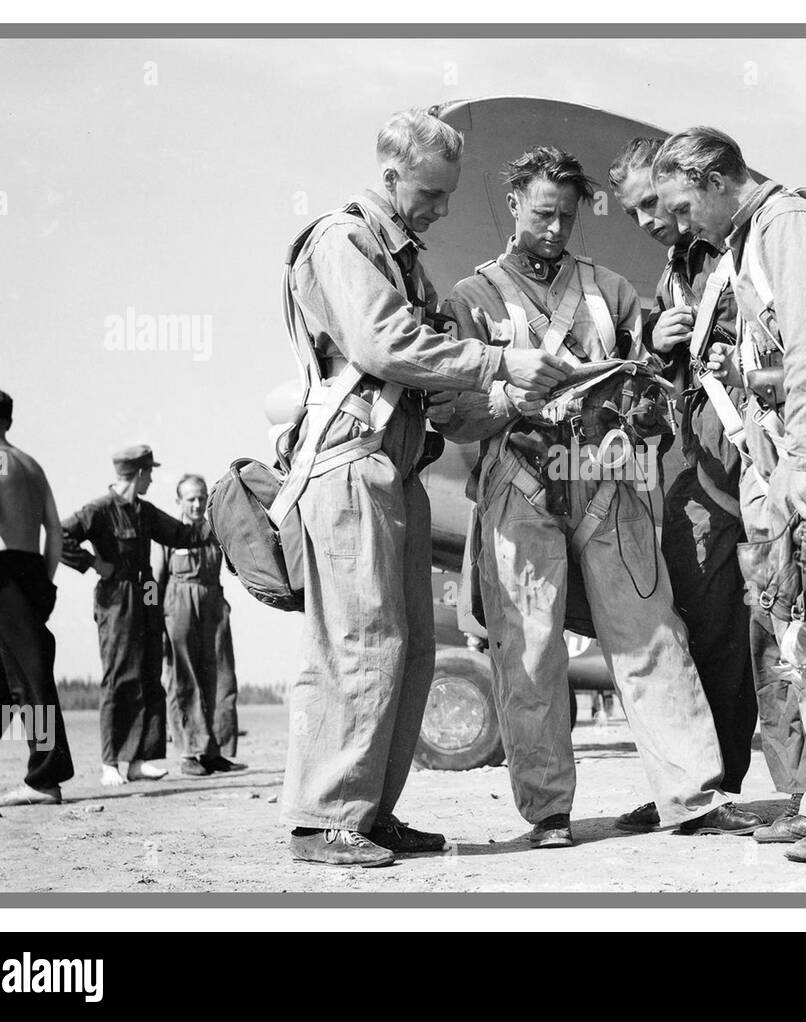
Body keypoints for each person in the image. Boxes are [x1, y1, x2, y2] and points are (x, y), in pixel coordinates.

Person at [434, 144, 763, 848]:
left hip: (613, 483)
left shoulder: (612, 291)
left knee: (651, 635)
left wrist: (649, 373)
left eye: (567, 217)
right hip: (518, 486)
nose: (555, 230)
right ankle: (549, 813)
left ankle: (693, 798)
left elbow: (655, 391)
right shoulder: (472, 300)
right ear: (515, 203)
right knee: (529, 651)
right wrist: (506, 394)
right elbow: (451, 415)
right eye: (544, 214)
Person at [279, 108, 569, 868]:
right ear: (389, 177)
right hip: (351, 464)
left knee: (405, 651)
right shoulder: (342, 240)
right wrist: (500, 364)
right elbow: (386, 343)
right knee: (361, 642)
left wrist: (509, 396)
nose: (442, 210)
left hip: (396, 468)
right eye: (431, 194)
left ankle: (370, 811)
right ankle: (326, 818)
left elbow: (435, 358)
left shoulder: (400, 256)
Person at [653, 127, 806, 862]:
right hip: (784, 463)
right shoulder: (749, 238)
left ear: (713, 179)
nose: (676, 223)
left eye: (680, 204)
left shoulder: (792, 226)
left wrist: (804, 460)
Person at [608, 138, 806, 832]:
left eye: (657, 206)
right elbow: (677, 381)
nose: (651, 221)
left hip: (756, 466)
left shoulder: (748, 246)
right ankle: (703, 786)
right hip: (701, 478)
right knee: (701, 637)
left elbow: (797, 345)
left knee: (777, 632)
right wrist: (658, 349)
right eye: (638, 211)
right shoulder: (677, 269)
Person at [62, 445, 213, 787]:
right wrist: (92, 563)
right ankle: (110, 762)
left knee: (149, 672)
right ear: (140, 474)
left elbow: (182, 533)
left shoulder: (145, 512)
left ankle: (140, 760)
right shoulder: (99, 509)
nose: (152, 479)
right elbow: (61, 535)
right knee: (118, 677)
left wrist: (219, 521)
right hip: (116, 595)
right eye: (150, 473)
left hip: (145, 591)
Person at [0, 386, 74, 806]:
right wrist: (43, 579)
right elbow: (55, 530)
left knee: (30, 676)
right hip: (32, 570)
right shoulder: (31, 464)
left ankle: (44, 778)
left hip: (1, 573)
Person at [154, 474, 245, 776]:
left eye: (200, 497)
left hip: (212, 602)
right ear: (178, 502)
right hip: (177, 603)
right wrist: (152, 618)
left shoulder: (214, 529)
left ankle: (216, 751)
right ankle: (190, 753)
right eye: (190, 498)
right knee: (184, 678)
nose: (196, 504)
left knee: (221, 676)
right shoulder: (168, 533)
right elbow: (153, 580)